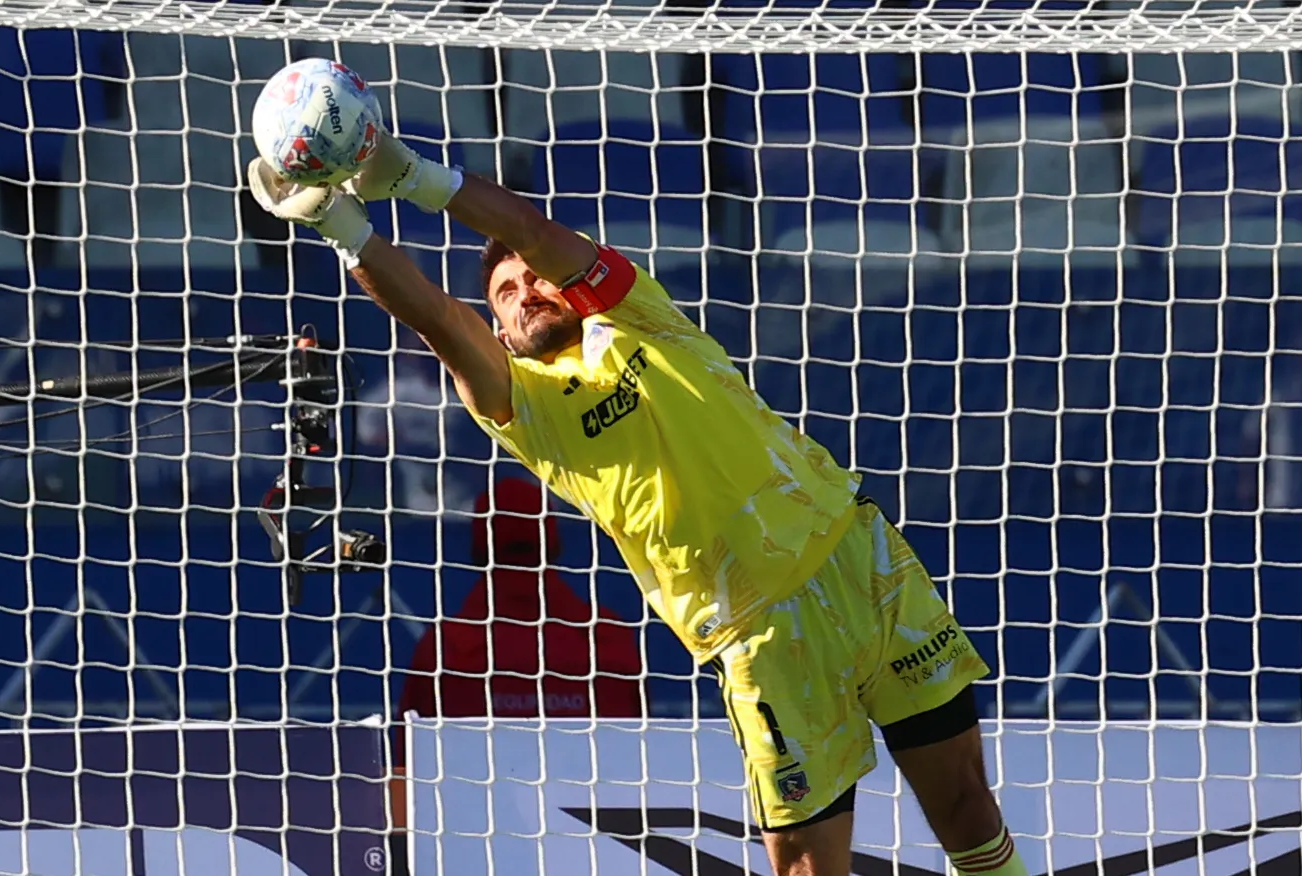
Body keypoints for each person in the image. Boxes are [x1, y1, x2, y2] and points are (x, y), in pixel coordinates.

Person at [247, 130, 1029, 876]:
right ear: (500, 327)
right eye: (506, 293)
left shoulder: (636, 311)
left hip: (863, 564)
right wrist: (336, 219)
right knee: (804, 867)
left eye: (534, 276)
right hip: (759, 634)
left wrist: (409, 175)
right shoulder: (524, 406)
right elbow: (436, 317)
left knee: (966, 807)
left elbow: (529, 226)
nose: (526, 293)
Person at [397, 475, 644, 723]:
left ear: (479, 543)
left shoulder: (442, 651)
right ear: (552, 539)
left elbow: (411, 752)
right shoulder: (609, 639)